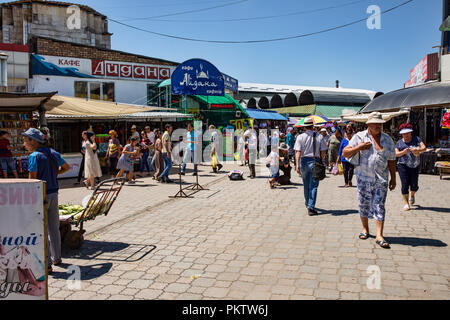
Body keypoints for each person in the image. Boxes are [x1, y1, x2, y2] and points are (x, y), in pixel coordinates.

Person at [342, 112, 396, 249]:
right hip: (363, 178)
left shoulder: (388, 139)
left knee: (379, 205)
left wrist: (393, 178)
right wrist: (359, 147)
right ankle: (365, 229)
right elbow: (345, 153)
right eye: (375, 124)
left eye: (380, 124)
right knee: (363, 204)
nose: (378, 126)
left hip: (381, 179)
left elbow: (391, 160)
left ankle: (379, 235)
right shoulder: (359, 137)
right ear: (368, 125)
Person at [22, 128, 70, 273]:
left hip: (40, 195)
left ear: (34, 141)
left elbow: (32, 180)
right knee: (54, 228)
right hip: (54, 194)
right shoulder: (54, 153)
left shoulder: (34, 156)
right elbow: (66, 167)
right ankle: (57, 258)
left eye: (26, 140)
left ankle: (47, 264)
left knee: (41, 230)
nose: (24, 143)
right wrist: (55, 174)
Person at [294, 117, 327, 216]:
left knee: (306, 184)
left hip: (303, 161)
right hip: (315, 161)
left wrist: (297, 164)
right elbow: (324, 150)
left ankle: (308, 202)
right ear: (313, 126)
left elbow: (298, 152)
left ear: (304, 127)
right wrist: (321, 159)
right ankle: (311, 207)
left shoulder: (300, 137)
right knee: (313, 186)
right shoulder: (319, 136)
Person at [395, 123, 427, 211]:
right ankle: (406, 203)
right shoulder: (399, 143)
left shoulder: (417, 139)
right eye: (404, 134)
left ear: (410, 133)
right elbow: (396, 154)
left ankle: (412, 194)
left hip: (415, 165)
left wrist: (417, 149)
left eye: (407, 133)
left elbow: (424, 148)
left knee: (414, 185)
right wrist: (403, 152)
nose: (405, 135)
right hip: (402, 165)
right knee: (404, 184)